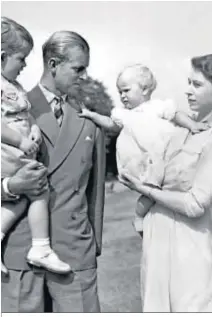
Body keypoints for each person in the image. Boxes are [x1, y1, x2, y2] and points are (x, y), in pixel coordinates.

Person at [1, 30, 106, 313]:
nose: (83, 76)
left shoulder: (89, 117)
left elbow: (94, 190)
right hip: (19, 249)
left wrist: (91, 243)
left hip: (75, 251)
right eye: (78, 68)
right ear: (53, 64)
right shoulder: (11, 107)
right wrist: (9, 187)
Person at [119, 54, 212, 312]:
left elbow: (195, 204)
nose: (188, 90)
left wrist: (144, 189)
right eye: (188, 83)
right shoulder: (181, 130)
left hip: (192, 247)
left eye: (197, 84)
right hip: (157, 243)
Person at [79, 64, 209, 234]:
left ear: (145, 89)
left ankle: (176, 219)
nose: (122, 96)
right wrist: (92, 115)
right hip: (140, 162)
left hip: (163, 156)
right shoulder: (123, 114)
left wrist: (193, 125)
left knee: (172, 185)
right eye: (120, 92)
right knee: (149, 193)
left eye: (126, 90)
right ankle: (139, 217)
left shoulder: (158, 106)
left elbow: (177, 115)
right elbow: (111, 125)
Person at [1, 17, 71, 275]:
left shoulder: (16, 87)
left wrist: (32, 130)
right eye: (21, 58)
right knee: (38, 189)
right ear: (1, 56)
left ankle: (38, 247)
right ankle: (40, 247)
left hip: (17, 161)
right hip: (7, 157)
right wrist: (20, 140)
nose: (25, 64)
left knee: (30, 192)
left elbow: (26, 116)